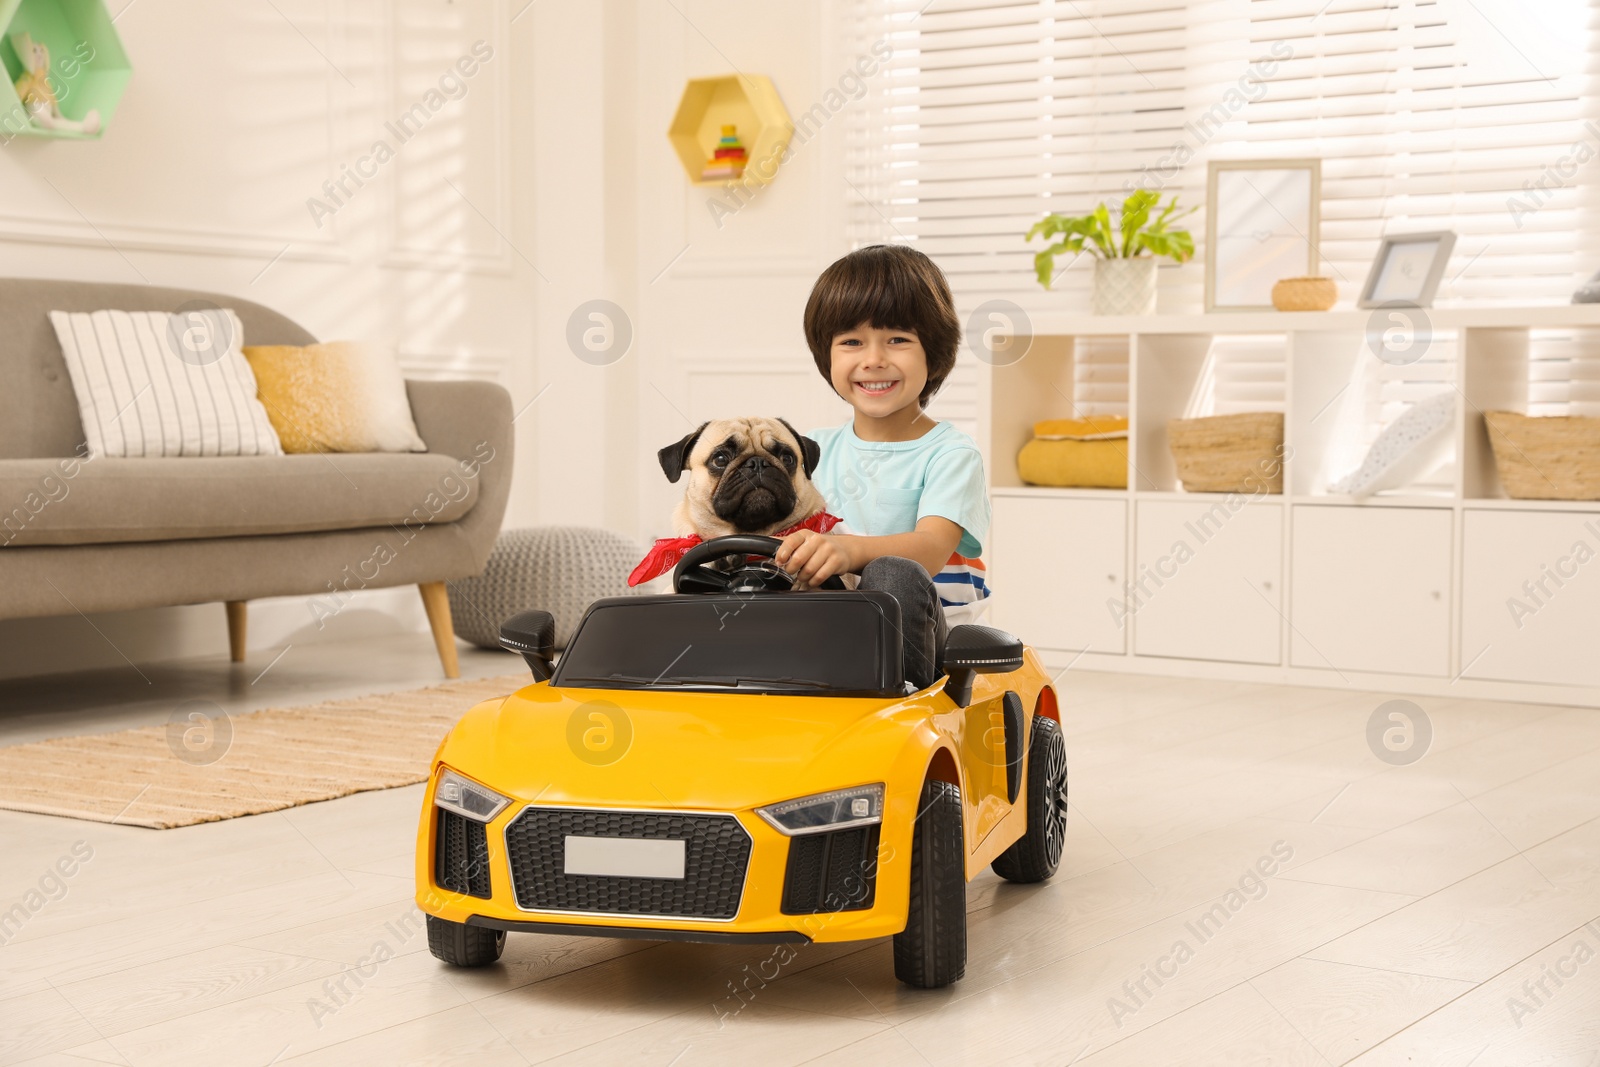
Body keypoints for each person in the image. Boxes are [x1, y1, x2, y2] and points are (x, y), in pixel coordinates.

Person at [774, 244, 992, 689]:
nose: (873, 359)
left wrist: (849, 551)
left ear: (933, 352)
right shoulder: (810, 450)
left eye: (897, 339)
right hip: (829, 636)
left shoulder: (951, 454)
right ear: (827, 357)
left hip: (932, 644)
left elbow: (931, 548)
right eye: (851, 342)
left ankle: (898, 701)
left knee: (892, 572)